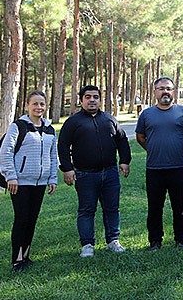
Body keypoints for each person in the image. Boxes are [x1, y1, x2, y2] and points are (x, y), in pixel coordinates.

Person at [58, 85, 131, 258]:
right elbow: (62, 145)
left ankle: (113, 241)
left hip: (110, 173)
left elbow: (122, 140)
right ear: (81, 100)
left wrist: (125, 161)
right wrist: (68, 169)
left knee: (112, 208)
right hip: (85, 175)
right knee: (86, 210)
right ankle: (87, 245)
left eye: (95, 97)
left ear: (100, 99)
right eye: (88, 97)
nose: (92, 100)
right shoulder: (73, 122)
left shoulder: (109, 119)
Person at [0, 90, 57, 272]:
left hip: (39, 183)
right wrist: (11, 176)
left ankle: (26, 256)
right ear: (27, 105)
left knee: (32, 220)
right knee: (21, 219)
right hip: (20, 183)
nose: (38, 107)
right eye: (35, 103)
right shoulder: (18, 126)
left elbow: (52, 156)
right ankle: (17, 260)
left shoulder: (49, 129)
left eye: (42, 104)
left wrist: (52, 178)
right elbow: (5, 153)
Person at [136, 77, 183, 250]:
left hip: (177, 167)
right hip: (154, 168)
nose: (165, 92)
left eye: (169, 89)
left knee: (180, 206)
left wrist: (181, 147)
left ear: (174, 91)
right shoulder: (147, 114)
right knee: (155, 207)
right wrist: (152, 148)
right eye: (161, 88)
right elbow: (140, 136)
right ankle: (155, 241)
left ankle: (181, 240)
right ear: (155, 91)